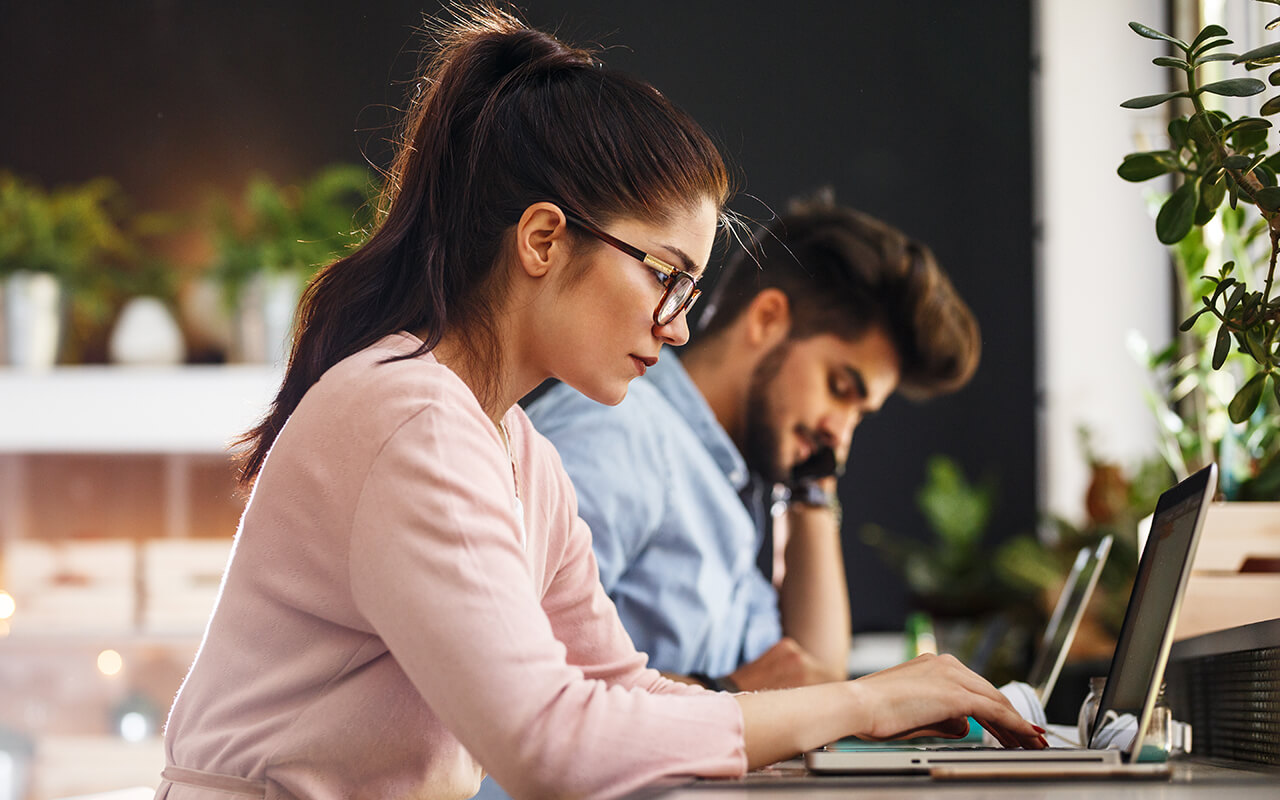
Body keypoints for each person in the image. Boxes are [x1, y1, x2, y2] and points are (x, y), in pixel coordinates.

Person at [155, 6, 1045, 800]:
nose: (681, 328)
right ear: (543, 239)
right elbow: (548, 746)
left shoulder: (513, 446)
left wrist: (861, 713)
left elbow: (617, 686)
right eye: (667, 276)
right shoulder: (413, 418)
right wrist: (862, 700)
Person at [524, 194, 983, 694]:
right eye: (840, 388)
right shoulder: (621, 431)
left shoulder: (727, 487)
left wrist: (812, 488)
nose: (842, 433)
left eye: (860, 416)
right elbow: (521, 668)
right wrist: (728, 692)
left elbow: (813, 681)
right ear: (767, 319)